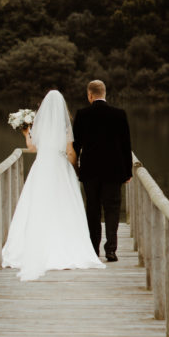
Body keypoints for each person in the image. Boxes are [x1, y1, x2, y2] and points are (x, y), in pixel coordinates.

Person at [2, 89, 105, 282]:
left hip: (41, 167)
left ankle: (32, 246)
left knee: (38, 205)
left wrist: (26, 133)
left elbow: (32, 148)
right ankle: (65, 244)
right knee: (64, 205)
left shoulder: (38, 126)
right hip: (59, 167)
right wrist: (75, 168)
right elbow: (71, 152)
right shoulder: (65, 128)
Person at [72, 79, 132, 262]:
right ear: (104, 94)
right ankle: (111, 250)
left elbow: (76, 144)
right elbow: (126, 145)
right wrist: (127, 172)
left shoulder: (82, 114)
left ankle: (93, 248)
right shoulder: (119, 114)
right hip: (114, 171)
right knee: (112, 209)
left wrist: (76, 168)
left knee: (93, 209)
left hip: (90, 171)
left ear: (90, 95)